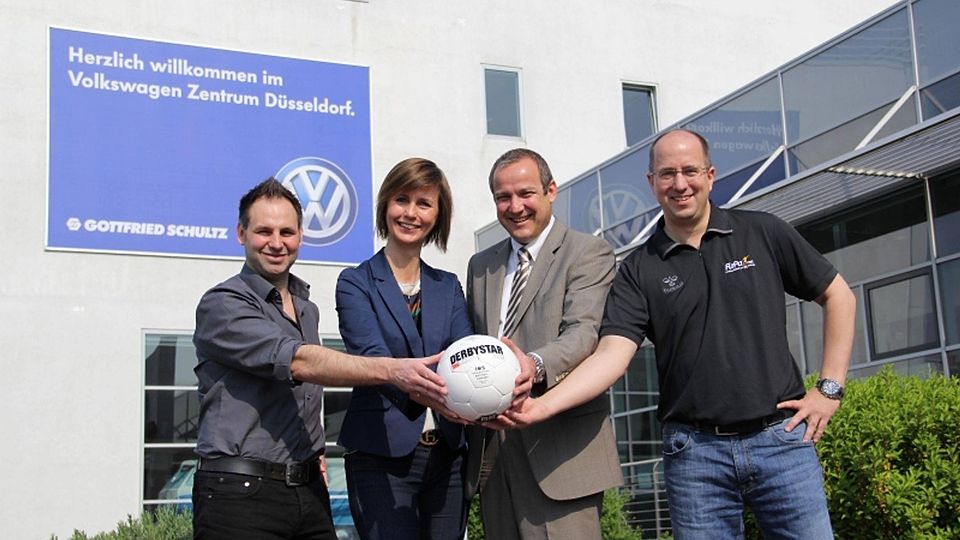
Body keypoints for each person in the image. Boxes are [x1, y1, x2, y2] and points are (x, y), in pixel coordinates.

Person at [501, 129, 857, 539]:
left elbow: (839, 297)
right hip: (695, 456)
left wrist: (829, 389)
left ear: (710, 175)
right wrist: (540, 409)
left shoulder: (762, 233)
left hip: (782, 439)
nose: (680, 183)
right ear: (652, 183)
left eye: (690, 171)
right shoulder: (638, 268)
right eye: (667, 173)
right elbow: (611, 357)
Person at [192, 178, 448, 540]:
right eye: (264, 231)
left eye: (287, 231)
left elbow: (304, 396)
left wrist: (313, 450)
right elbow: (298, 362)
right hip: (239, 494)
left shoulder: (305, 308)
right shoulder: (222, 304)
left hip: (307, 490)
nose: (277, 243)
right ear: (241, 233)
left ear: (300, 236)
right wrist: (392, 369)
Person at [463, 148, 623, 539]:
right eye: (504, 197)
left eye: (526, 193)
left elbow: (583, 334)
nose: (515, 206)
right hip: (495, 455)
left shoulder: (588, 252)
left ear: (551, 191)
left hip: (561, 454)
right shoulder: (481, 266)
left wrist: (533, 364)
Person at [335, 158, 473, 539]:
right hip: (380, 456)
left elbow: (464, 355)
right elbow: (374, 359)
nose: (411, 213)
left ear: (438, 214)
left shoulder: (448, 286)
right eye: (401, 199)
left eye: (424, 203)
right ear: (385, 206)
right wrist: (445, 390)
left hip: (447, 455)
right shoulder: (355, 283)